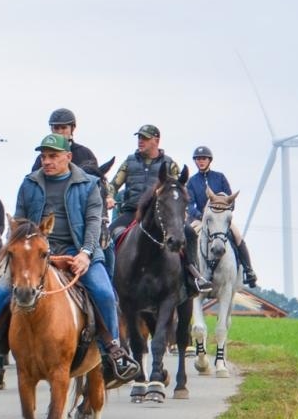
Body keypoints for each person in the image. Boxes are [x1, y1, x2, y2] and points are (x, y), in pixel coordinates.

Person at [0, 134, 141, 390]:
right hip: (36, 254)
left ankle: (112, 356)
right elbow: (20, 225)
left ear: (68, 157)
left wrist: (86, 254)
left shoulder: (89, 184)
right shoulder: (29, 184)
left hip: (78, 252)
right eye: (44, 157)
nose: (47, 161)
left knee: (104, 293)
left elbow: (93, 223)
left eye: (53, 156)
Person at [109, 122, 204, 297]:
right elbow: (113, 184)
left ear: (156, 140)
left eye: (145, 138)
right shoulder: (129, 162)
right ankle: (109, 276)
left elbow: (178, 189)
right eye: (139, 138)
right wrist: (109, 196)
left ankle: (193, 274)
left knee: (189, 233)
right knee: (109, 234)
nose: (140, 141)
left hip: (161, 216)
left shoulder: (170, 164)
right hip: (132, 213)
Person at [186, 146, 259, 288]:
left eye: (204, 159)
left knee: (237, 236)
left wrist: (224, 213)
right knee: (189, 237)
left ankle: (249, 271)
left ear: (209, 160)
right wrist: (200, 215)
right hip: (200, 220)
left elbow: (230, 199)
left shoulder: (220, 177)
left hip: (220, 219)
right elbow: (189, 205)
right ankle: (187, 273)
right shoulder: (192, 181)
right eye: (198, 159)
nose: (201, 161)